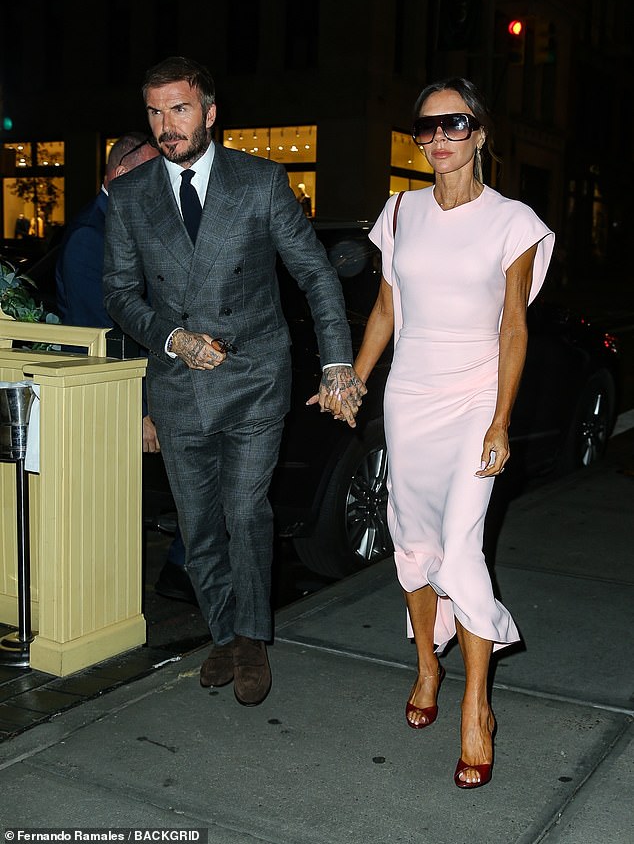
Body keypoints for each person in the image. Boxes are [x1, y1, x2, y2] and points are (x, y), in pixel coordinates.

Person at [102, 56, 364, 706]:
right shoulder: (131, 196)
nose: (167, 125)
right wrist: (172, 337)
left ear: (210, 113)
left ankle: (250, 640)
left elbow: (315, 273)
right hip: (178, 381)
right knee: (198, 524)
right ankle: (222, 633)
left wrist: (337, 362)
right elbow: (119, 292)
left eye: (179, 109)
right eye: (155, 112)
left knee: (246, 511)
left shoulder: (259, 181)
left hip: (252, 379)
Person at [353, 77, 554, 788]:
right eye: (427, 126)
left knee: (462, 548)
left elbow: (514, 328)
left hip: (475, 400)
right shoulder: (399, 212)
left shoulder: (513, 222)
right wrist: (354, 377)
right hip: (410, 397)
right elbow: (386, 308)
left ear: (481, 134)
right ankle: (427, 667)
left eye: (455, 123)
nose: (439, 137)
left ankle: (477, 706)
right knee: (412, 544)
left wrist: (501, 419)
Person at [55, 132, 195, 604]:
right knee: (110, 506)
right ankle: (111, 595)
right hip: (108, 394)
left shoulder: (131, 224)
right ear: (118, 174)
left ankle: (183, 567)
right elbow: (102, 337)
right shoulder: (89, 237)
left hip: (150, 380)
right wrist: (140, 410)